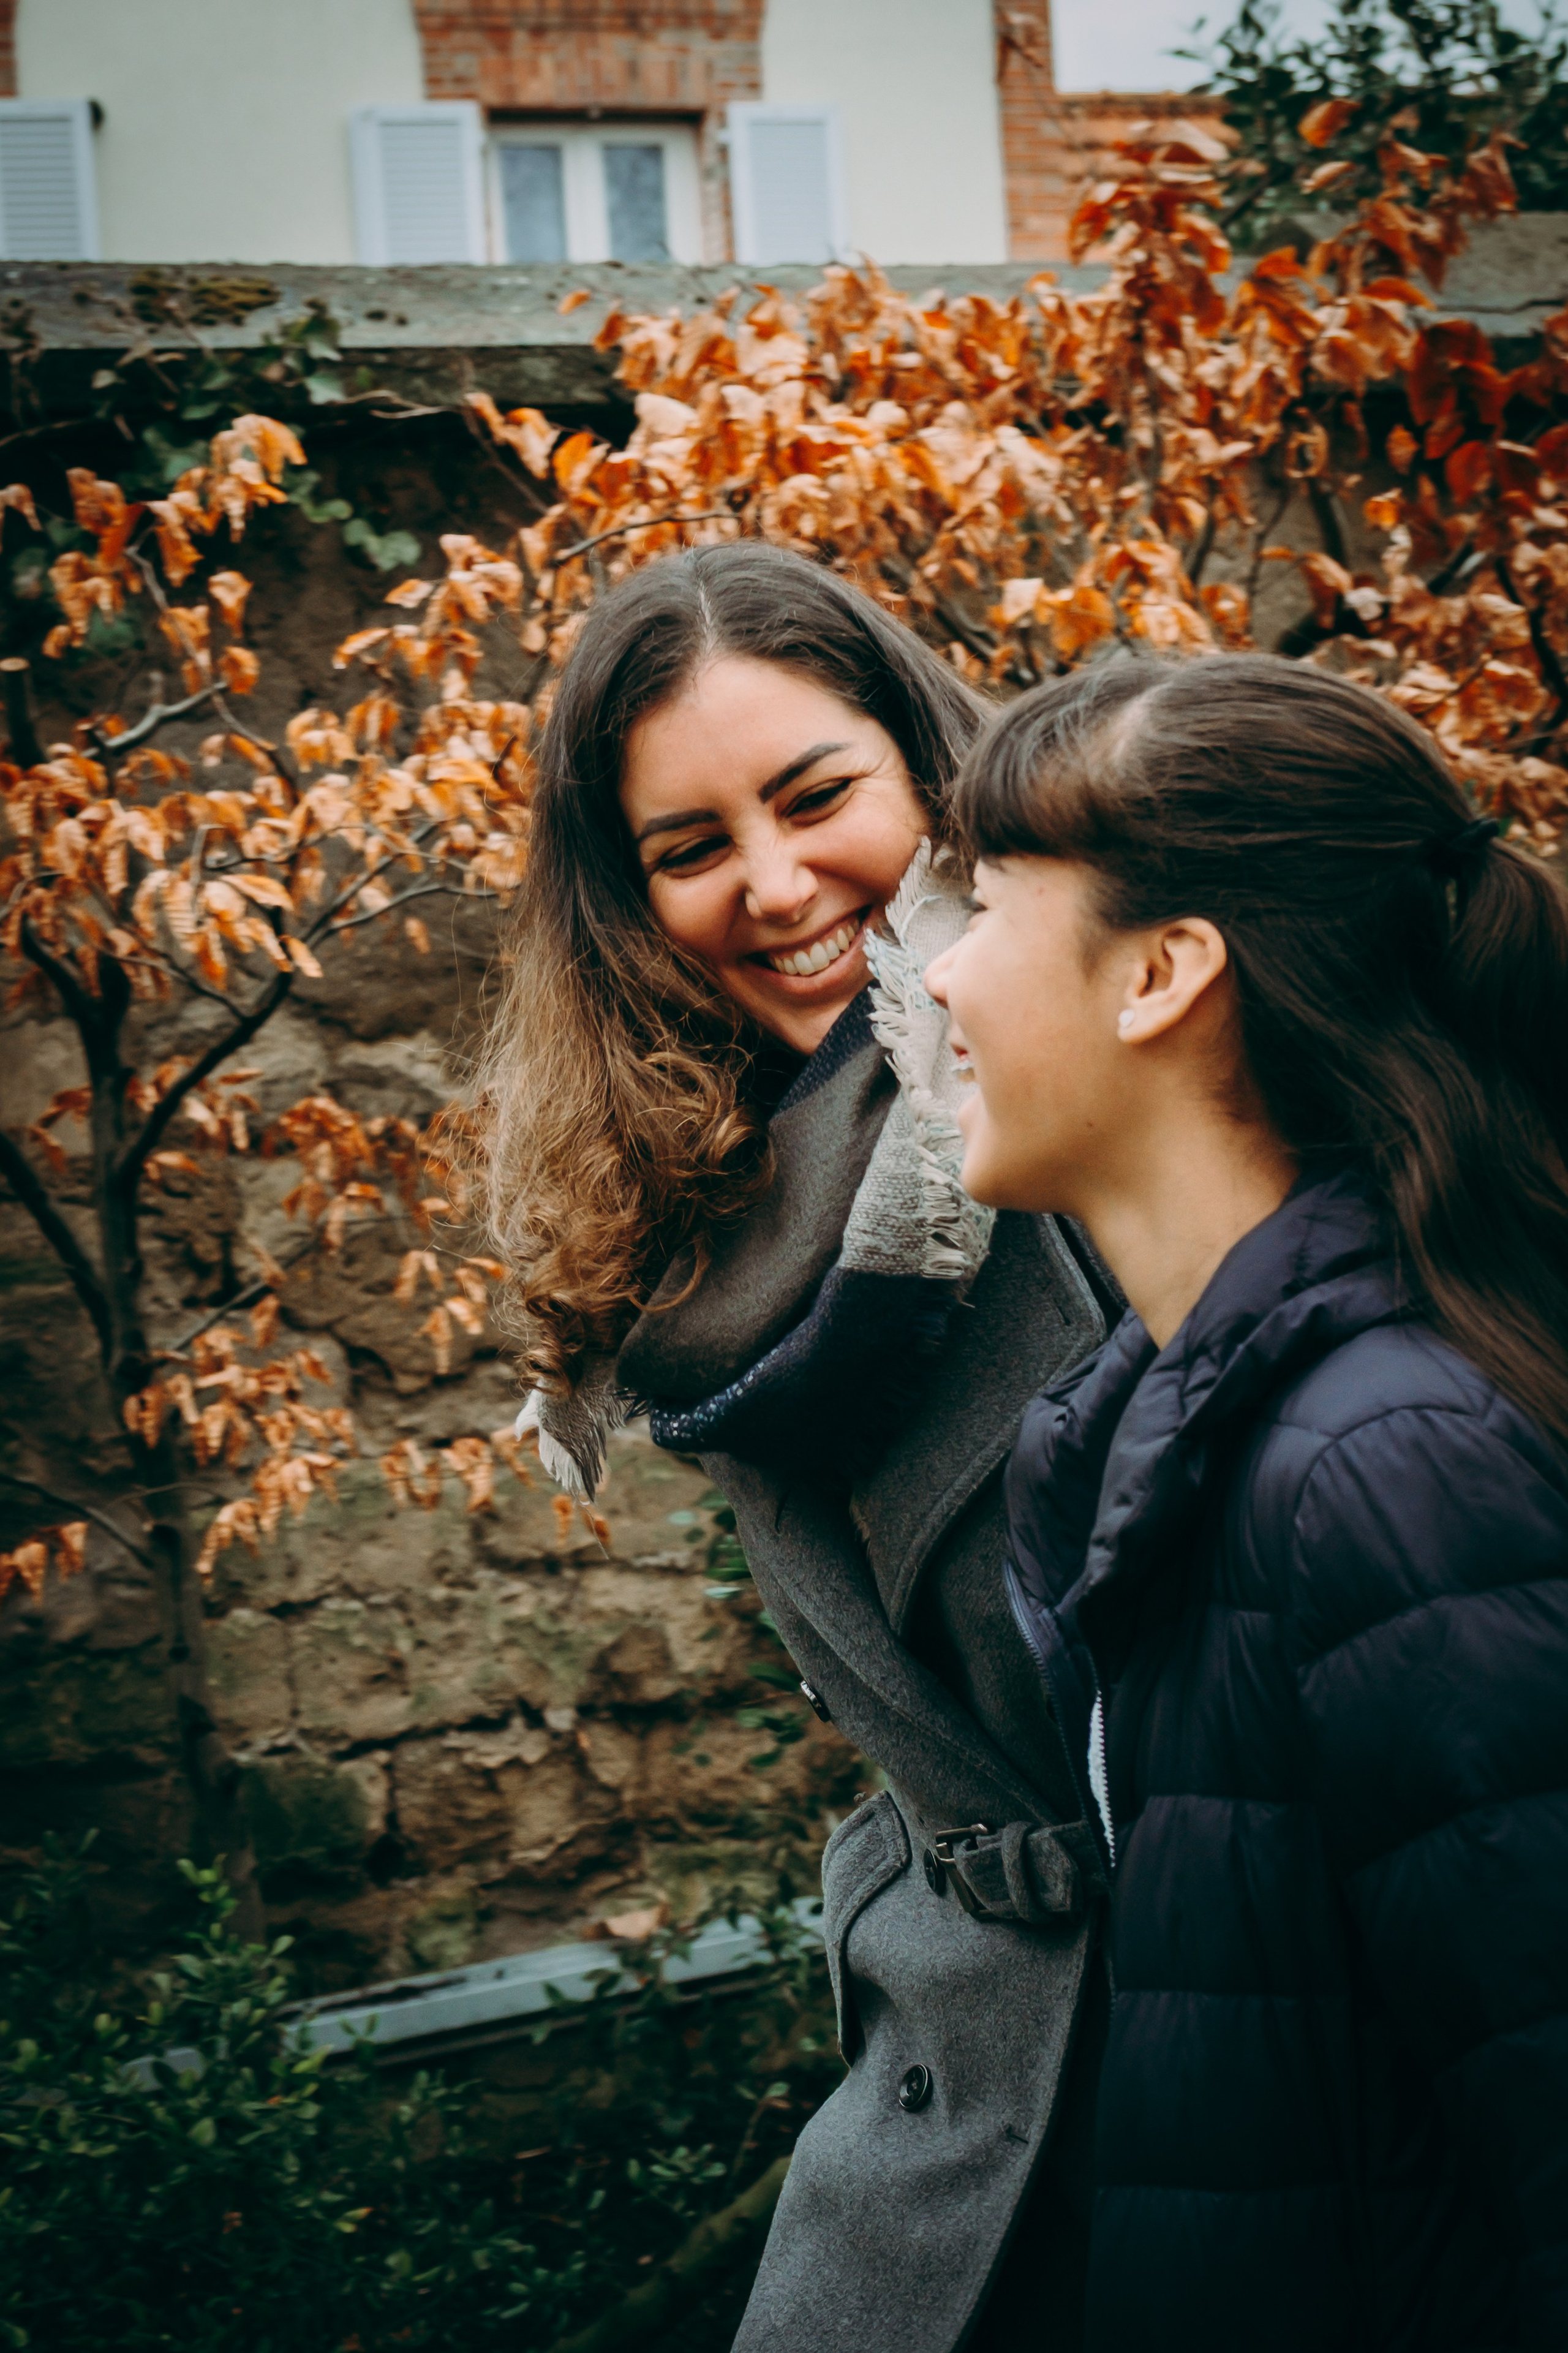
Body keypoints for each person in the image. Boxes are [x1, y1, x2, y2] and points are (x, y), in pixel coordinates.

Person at [480, 542, 1115, 2352]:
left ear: (938, 772)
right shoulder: (710, 1225)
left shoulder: (1104, 1111)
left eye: (819, 796)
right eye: (691, 847)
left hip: (1206, 2090)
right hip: (957, 2082)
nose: (774, 886)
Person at [924, 651, 1568, 2352]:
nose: (939, 978)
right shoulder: (1189, 1441)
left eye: (984, 908)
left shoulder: (1389, 1470)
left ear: (1162, 972)